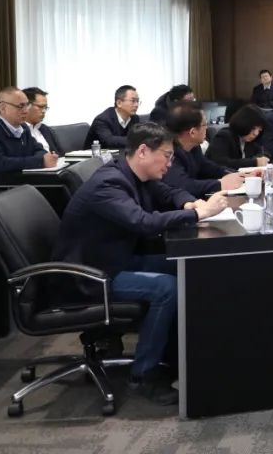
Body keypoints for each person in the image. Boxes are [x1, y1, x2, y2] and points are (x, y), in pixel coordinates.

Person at [52, 121, 228, 405]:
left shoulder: (135, 174)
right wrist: (198, 214)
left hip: (117, 259)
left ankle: (175, 355)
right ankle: (143, 376)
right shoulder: (109, 184)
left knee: (186, 265)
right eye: (167, 156)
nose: (169, 164)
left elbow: (169, 192)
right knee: (166, 288)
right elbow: (142, 222)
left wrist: (190, 204)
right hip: (91, 275)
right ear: (144, 151)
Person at [0, 86, 56, 188]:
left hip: (20, 183)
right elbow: (0, 164)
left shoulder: (24, 128)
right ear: (3, 108)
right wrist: (40, 161)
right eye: (20, 106)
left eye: (27, 105)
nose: (26, 111)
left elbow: (40, 150)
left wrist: (44, 159)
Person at [162, 103, 244, 197]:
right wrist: (219, 184)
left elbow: (209, 168)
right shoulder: (169, 153)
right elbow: (184, 185)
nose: (207, 128)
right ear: (192, 132)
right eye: (204, 124)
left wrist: (240, 175)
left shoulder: (194, 147)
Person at [207, 104, 271, 170]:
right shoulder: (224, 136)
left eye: (259, 130)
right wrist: (254, 162)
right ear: (243, 123)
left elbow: (264, 152)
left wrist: (261, 159)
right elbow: (221, 163)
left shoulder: (251, 140)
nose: (256, 133)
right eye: (253, 128)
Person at [23, 86, 64, 155]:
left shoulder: (46, 130)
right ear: (26, 106)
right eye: (41, 107)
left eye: (45, 107)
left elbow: (61, 154)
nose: (44, 111)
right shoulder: (18, 131)